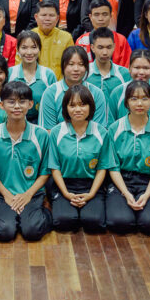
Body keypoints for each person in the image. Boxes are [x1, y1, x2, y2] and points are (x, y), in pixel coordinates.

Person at [0, 81, 54, 242]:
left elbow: (45, 172)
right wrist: (7, 195)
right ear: (1, 105)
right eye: (11, 102)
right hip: (1, 194)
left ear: (30, 104)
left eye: (22, 101)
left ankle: (43, 212)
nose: (17, 106)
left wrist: (28, 195)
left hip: (31, 194)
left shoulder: (41, 135)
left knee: (32, 231)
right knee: (4, 231)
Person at [102, 81, 150, 235]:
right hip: (121, 181)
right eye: (134, 99)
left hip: (148, 182)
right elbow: (113, 167)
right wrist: (126, 193)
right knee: (120, 222)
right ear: (126, 102)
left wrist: (147, 195)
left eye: (145, 98)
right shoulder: (114, 129)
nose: (139, 103)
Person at [48, 84, 112, 233]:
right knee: (63, 222)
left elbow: (102, 167)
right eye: (72, 105)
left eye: (83, 105)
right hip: (65, 185)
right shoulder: (56, 132)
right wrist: (66, 193)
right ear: (66, 108)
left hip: (91, 185)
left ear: (91, 107)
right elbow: (54, 167)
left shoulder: (101, 132)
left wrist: (91, 194)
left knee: (94, 223)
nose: (77, 109)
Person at [39, 46, 109, 128]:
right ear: (63, 66)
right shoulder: (50, 93)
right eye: (71, 64)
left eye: (81, 64)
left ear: (86, 67)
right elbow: (48, 130)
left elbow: (99, 129)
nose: (76, 69)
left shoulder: (96, 93)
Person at [109, 50, 150, 128]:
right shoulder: (117, 93)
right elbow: (111, 126)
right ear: (129, 68)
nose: (141, 72)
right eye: (137, 68)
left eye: (146, 68)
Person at [8, 30, 57, 124]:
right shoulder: (10, 73)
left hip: (42, 124)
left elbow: (54, 104)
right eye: (24, 48)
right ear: (18, 49)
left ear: (39, 49)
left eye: (34, 47)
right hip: (14, 123)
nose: (29, 52)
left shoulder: (48, 75)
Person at [75, 0, 131, 67]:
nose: (100, 19)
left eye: (105, 14)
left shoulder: (121, 40)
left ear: (110, 16)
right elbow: (78, 67)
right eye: (96, 15)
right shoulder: (82, 41)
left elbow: (125, 68)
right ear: (90, 17)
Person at [85, 28, 130, 101]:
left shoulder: (125, 74)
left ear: (114, 47)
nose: (105, 52)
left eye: (109, 47)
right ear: (92, 48)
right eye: (100, 47)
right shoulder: (84, 73)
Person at [32, 1, 74, 80]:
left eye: (51, 15)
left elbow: (71, 65)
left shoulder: (66, 38)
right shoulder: (29, 37)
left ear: (57, 18)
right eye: (44, 15)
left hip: (59, 84)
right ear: (36, 17)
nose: (47, 19)